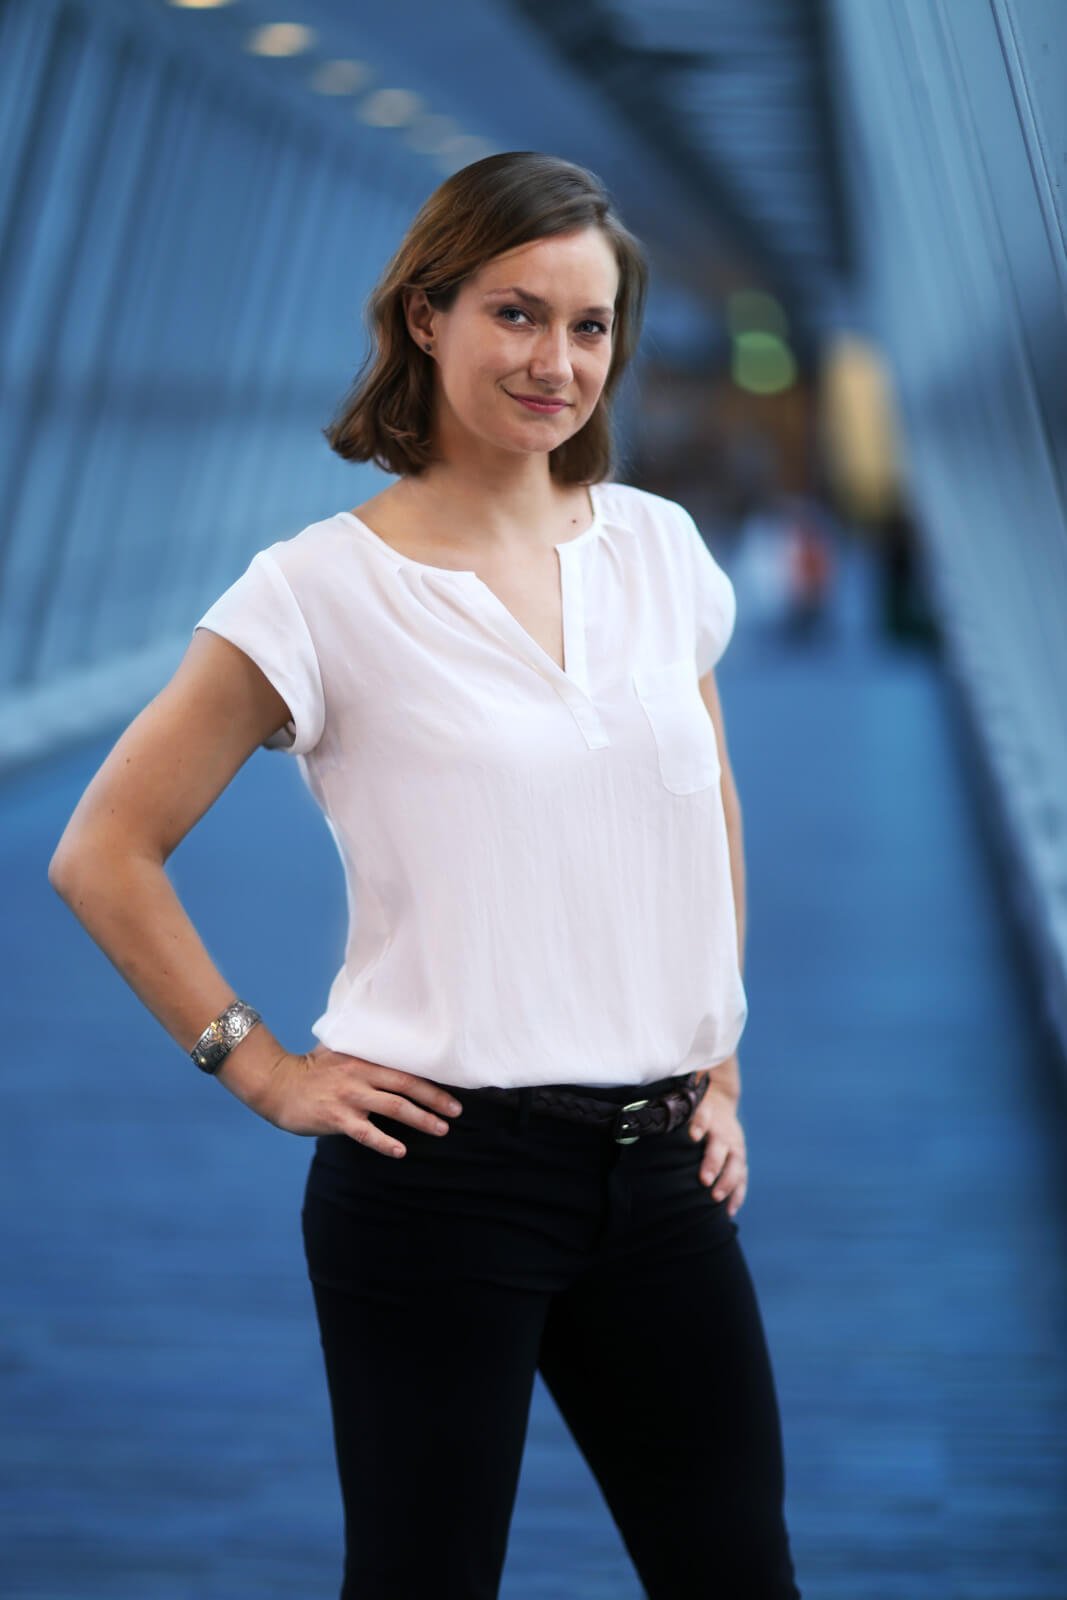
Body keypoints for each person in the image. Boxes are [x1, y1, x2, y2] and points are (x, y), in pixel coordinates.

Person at [47, 151, 802, 1599]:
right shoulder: (317, 592)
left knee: (739, 1575)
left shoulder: (660, 551)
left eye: (591, 328)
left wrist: (720, 1068)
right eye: (517, 315)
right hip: (440, 1176)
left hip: (662, 1178)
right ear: (424, 317)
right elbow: (104, 851)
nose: (557, 362)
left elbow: (703, 812)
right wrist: (260, 1067)